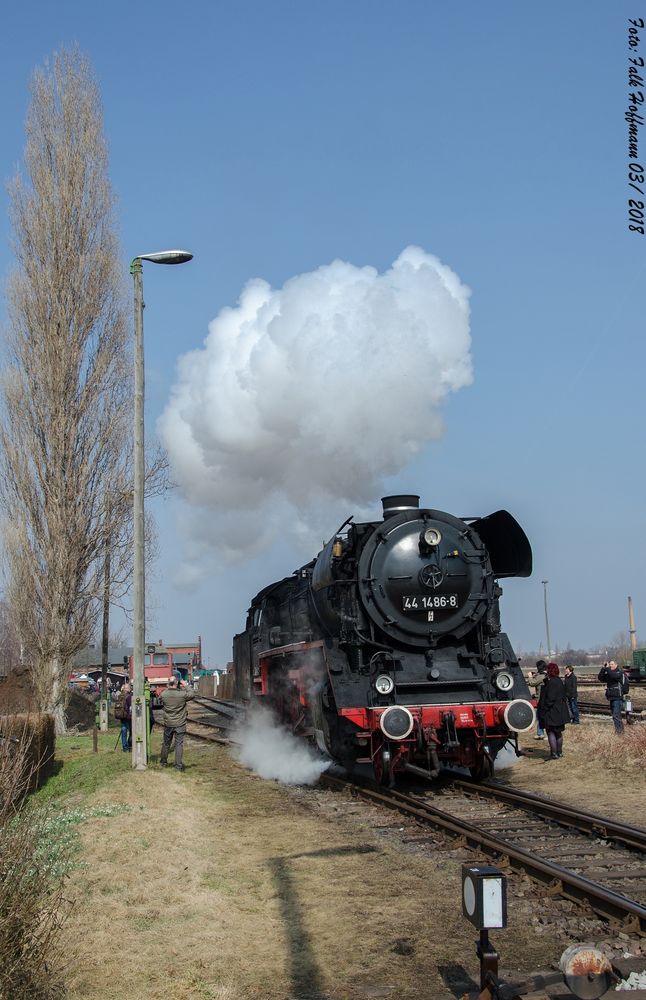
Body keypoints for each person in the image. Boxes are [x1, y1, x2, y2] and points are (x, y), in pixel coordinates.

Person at [159, 676, 196, 771]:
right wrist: (186, 685)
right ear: (176, 683)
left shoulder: (164, 694)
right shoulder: (182, 694)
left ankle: (163, 762)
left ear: (168, 683)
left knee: (166, 743)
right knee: (179, 744)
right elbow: (192, 694)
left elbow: (160, 697)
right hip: (180, 723)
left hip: (168, 723)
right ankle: (178, 766)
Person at [537, 662, 570, 760]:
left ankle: (554, 753)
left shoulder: (551, 683)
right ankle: (559, 752)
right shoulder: (559, 681)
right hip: (560, 711)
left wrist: (544, 709)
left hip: (551, 711)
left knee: (550, 732)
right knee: (558, 732)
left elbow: (550, 699)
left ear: (549, 671)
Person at [598, 660, 627, 735]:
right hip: (611, 697)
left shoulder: (619, 672)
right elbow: (600, 678)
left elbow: (613, 676)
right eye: (609, 664)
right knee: (615, 715)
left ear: (616, 665)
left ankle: (619, 733)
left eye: (612, 664)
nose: (610, 666)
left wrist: (607, 669)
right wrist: (603, 669)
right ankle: (620, 731)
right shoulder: (609, 673)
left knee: (616, 715)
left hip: (617, 697)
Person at [527, 659, 548, 739]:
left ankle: (541, 733)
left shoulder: (541, 676)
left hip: (541, 699)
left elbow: (532, 683)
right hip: (544, 698)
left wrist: (530, 676)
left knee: (540, 716)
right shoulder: (545, 675)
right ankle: (540, 732)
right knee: (540, 716)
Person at [113, 683, 132, 752]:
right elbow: (131, 707)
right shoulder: (129, 696)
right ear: (128, 689)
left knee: (123, 732)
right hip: (128, 716)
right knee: (131, 732)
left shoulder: (119, 696)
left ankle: (125, 748)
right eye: (129, 688)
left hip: (121, 716)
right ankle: (130, 746)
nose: (130, 689)